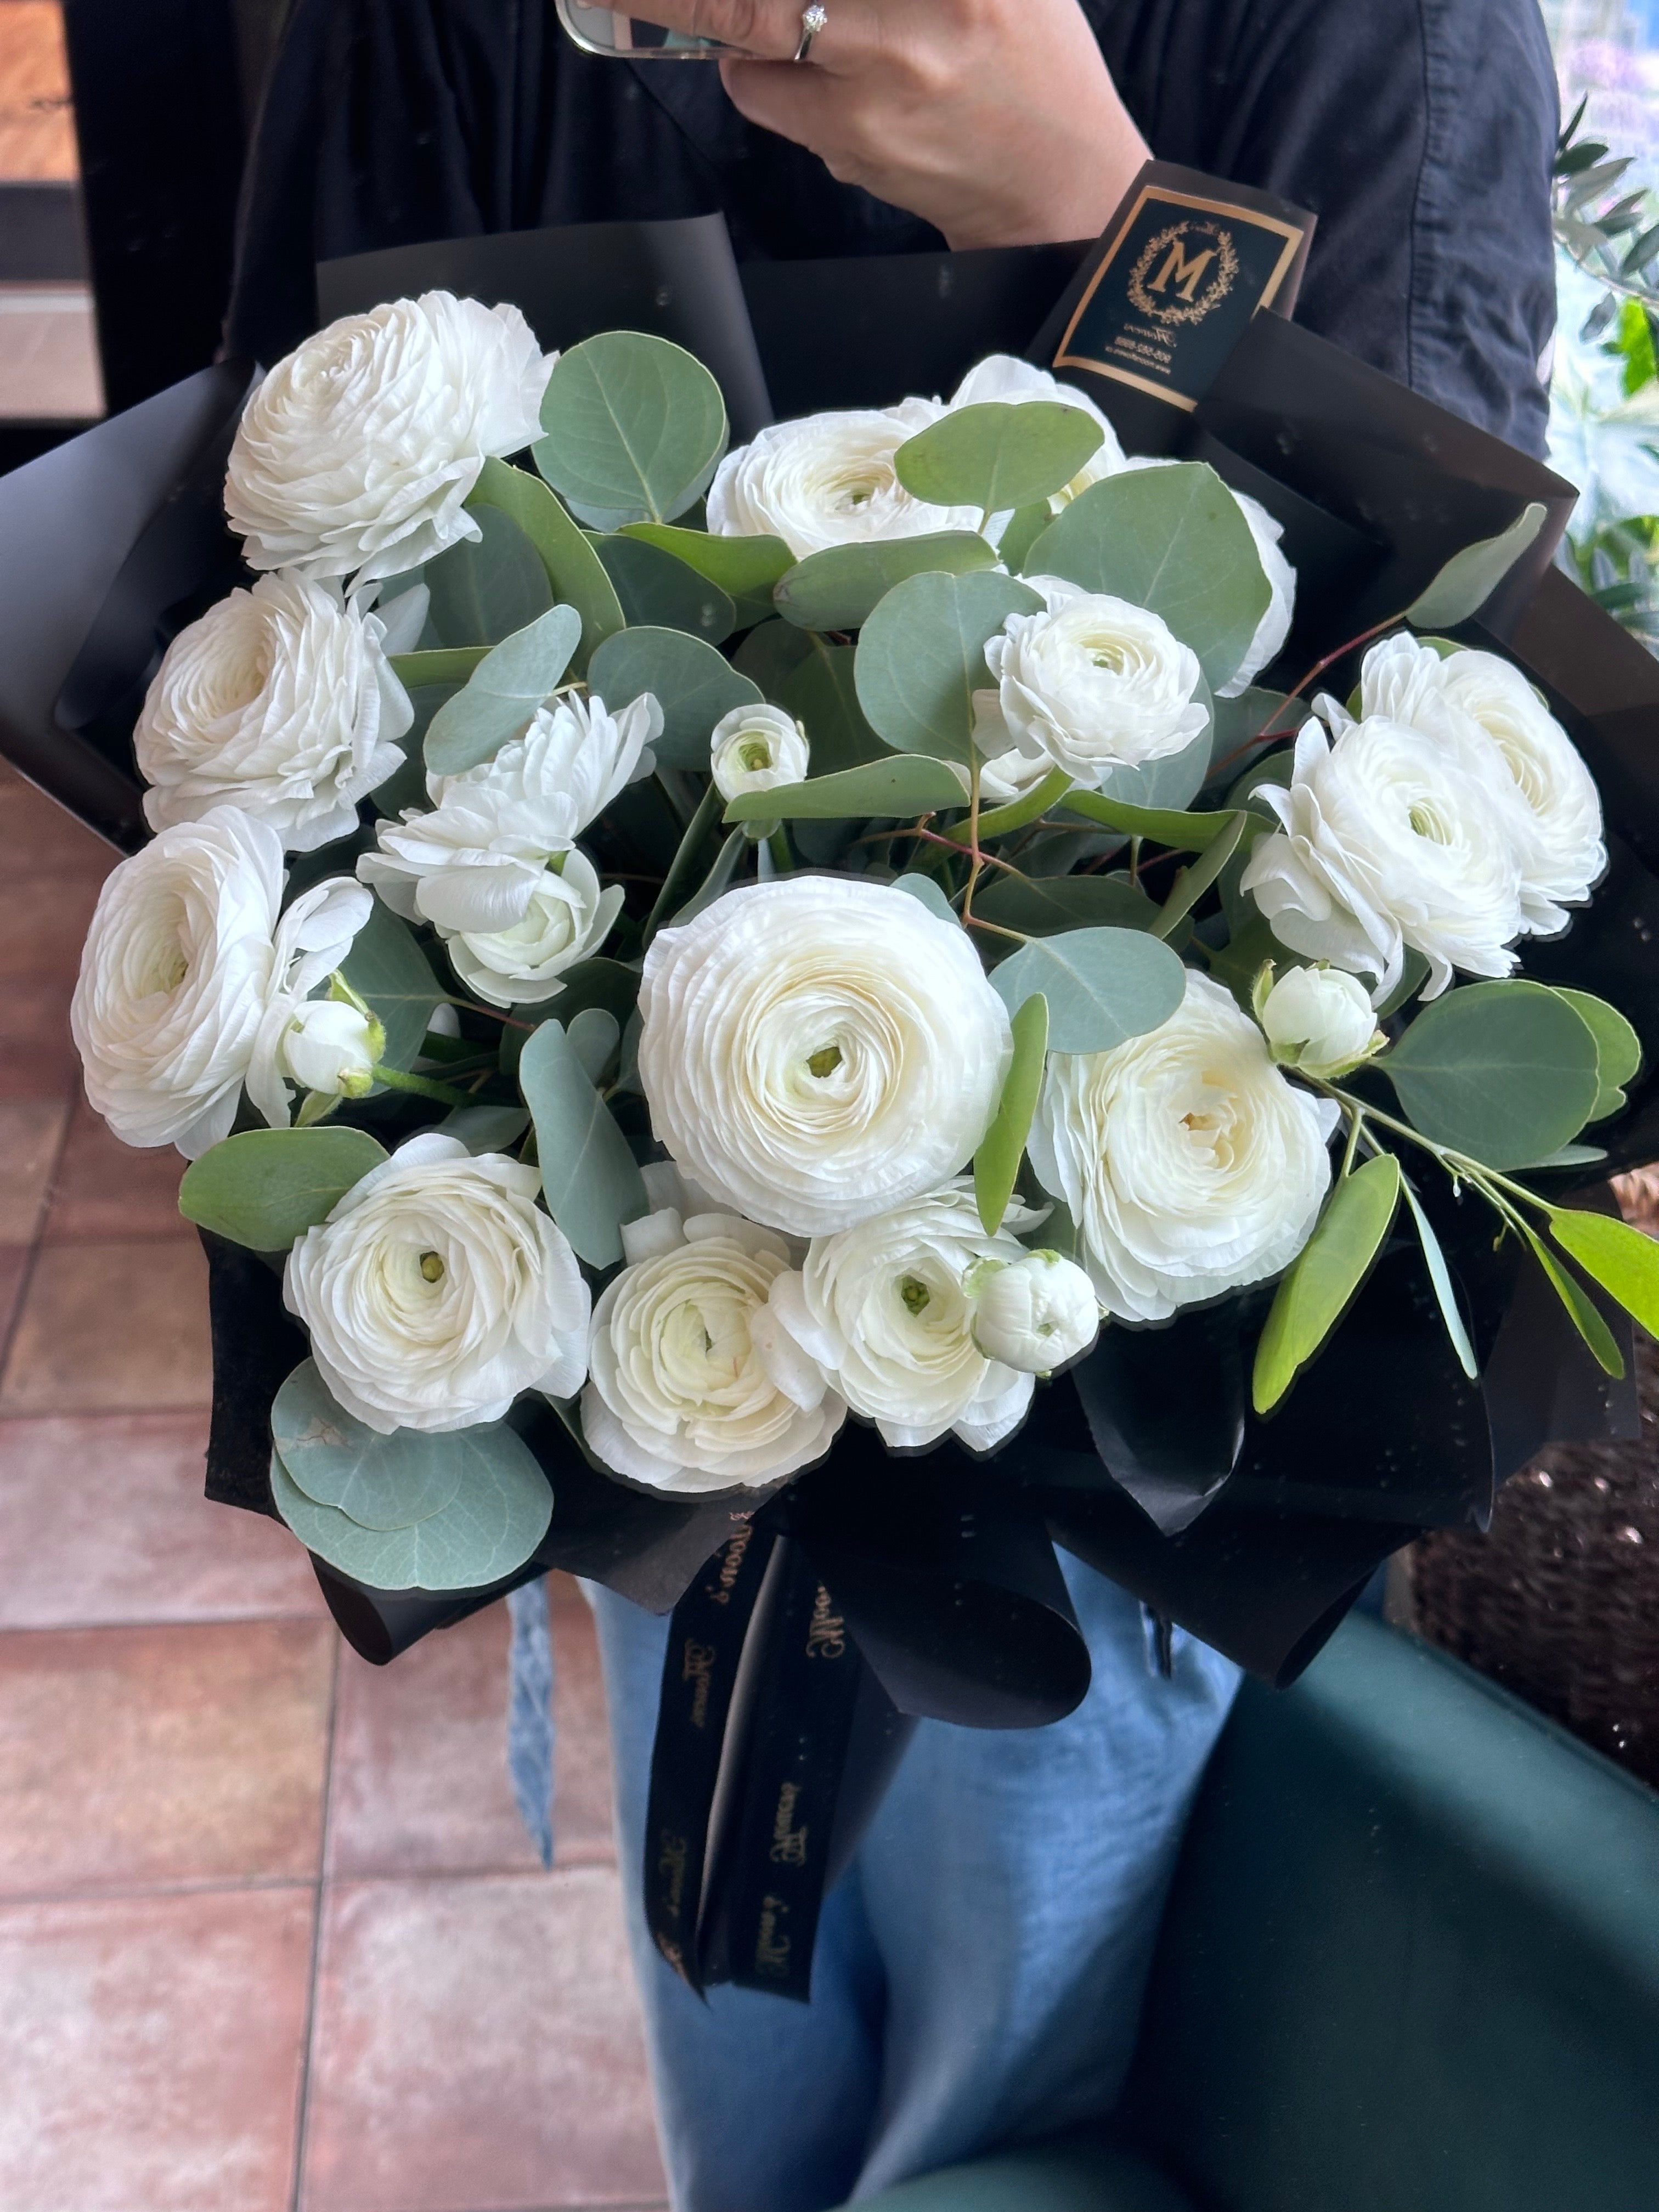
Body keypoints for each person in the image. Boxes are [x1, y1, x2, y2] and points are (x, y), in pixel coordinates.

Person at [224, 5, 1559, 2206]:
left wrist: (1100, 220)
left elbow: (1436, 680)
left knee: (1055, 2055)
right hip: (634, 1288)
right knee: (749, 2034)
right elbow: (294, 583)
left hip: (1129, 1349)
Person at [228, 0, 1559, 454]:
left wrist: (1079, 211)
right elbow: (277, 567)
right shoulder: (464, 22)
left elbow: (1410, 696)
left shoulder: (1396, 33)